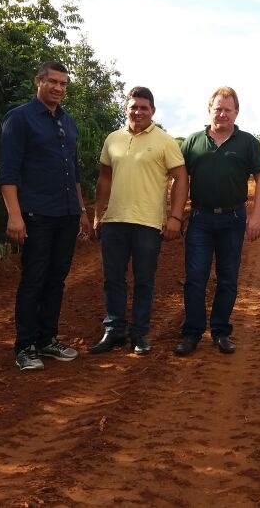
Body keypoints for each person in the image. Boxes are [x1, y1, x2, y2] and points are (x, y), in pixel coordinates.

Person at [0, 61, 94, 372]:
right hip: (37, 214)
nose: (58, 88)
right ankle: (25, 345)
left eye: (63, 84)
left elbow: (75, 172)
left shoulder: (67, 122)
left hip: (66, 212)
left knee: (57, 279)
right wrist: (15, 215)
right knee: (34, 279)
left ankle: (47, 339)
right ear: (37, 81)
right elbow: (8, 172)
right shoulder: (20, 118)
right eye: (52, 81)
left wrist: (81, 210)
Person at [90, 86, 188, 355]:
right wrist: (98, 214)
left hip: (148, 223)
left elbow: (181, 177)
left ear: (153, 111)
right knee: (113, 279)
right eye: (133, 106)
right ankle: (114, 330)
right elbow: (105, 178)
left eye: (144, 107)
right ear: (126, 108)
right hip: (114, 220)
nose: (138, 111)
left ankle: (139, 334)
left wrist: (175, 217)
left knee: (144, 280)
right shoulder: (113, 139)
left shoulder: (165, 141)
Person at [174, 87, 260, 356]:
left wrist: (257, 215)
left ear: (236, 112)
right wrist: (175, 215)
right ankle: (191, 333)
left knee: (227, 279)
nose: (223, 113)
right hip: (200, 220)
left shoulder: (248, 142)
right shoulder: (192, 142)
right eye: (218, 108)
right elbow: (180, 180)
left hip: (233, 219)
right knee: (195, 278)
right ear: (209, 109)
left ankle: (220, 332)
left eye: (228, 109)